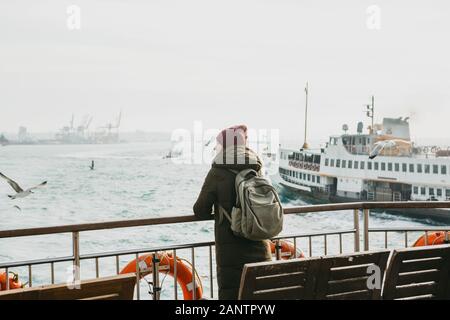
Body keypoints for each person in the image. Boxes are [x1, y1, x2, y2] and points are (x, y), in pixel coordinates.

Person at [193, 125, 271, 300]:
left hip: (231, 254)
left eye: (218, 145)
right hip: (260, 246)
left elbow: (200, 210)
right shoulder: (257, 167)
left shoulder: (218, 171)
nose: (216, 149)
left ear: (225, 147)